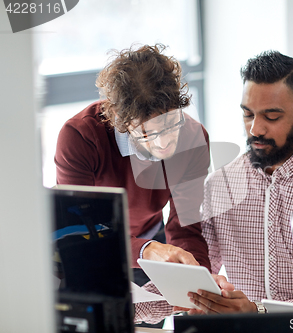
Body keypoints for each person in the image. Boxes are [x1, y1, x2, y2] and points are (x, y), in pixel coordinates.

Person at [184, 50, 293, 314]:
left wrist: (258, 313)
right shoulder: (219, 184)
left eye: (271, 116)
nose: (255, 129)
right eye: (247, 114)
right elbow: (198, 271)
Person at [55, 44, 211, 280]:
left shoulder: (193, 138)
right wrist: (144, 250)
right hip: (90, 243)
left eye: (172, 125)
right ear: (119, 119)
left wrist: (202, 282)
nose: (164, 144)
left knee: (155, 310)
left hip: (151, 238)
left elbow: (186, 227)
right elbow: (79, 228)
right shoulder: (79, 136)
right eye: (148, 133)